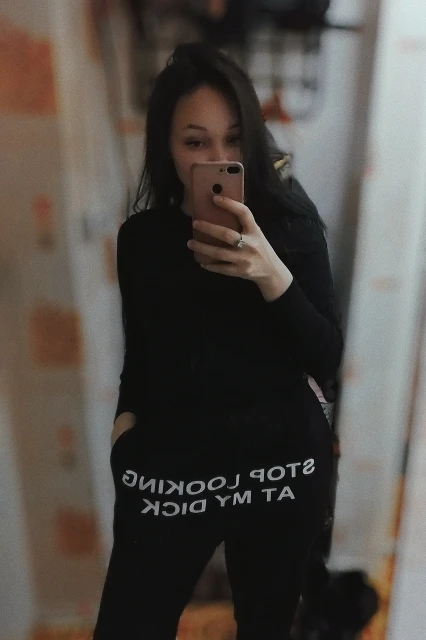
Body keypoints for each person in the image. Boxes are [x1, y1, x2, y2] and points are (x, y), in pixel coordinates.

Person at [93, 41, 343, 640]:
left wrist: (271, 275)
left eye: (233, 139)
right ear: (166, 145)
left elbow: (326, 359)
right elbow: (142, 358)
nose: (219, 157)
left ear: (252, 136)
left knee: (264, 627)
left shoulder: (290, 223)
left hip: (279, 467)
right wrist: (124, 438)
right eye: (196, 142)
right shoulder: (143, 240)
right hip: (175, 468)